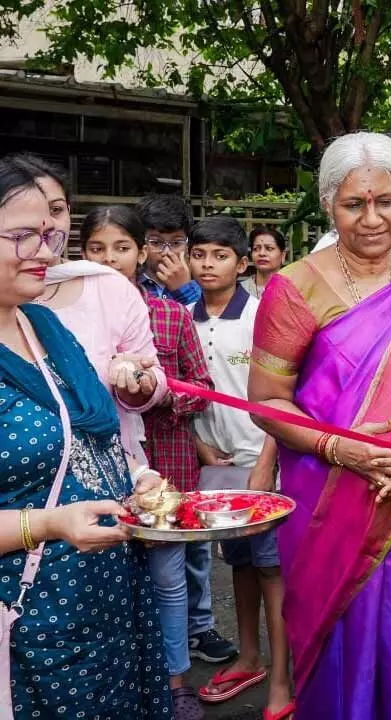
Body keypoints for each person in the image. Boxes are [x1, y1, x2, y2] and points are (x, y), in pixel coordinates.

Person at [248, 132, 391, 719]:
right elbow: (267, 402)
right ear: (327, 205)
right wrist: (343, 450)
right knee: (335, 632)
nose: (372, 219)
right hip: (326, 493)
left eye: (386, 202)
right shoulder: (296, 287)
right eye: (353, 204)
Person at [0, 155, 172, 719]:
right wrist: (48, 524)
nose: (46, 253)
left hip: (107, 599)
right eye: (22, 236)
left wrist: (137, 478)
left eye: (52, 232)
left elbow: (88, 441)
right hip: (30, 619)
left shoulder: (42, 325)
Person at [78, 205, 222, 715]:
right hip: (98, 468)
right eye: (97, 249)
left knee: (169, 577)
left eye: (121, 248)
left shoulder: (170, 314)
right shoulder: (60, 316)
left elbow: (202, 388)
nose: (109, 259)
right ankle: (123, 682)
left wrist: (155, 393)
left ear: (142, 253)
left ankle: (176, 680)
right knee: (107, 576)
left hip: (169, 464)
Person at [185, 217, 292, 719]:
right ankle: (250, 658)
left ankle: (283, 678)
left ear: (242, 263)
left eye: (220, 255)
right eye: (199, 254)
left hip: (261, 464)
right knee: (241, 565)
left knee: (273, 570)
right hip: (220, 468)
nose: (208, 264)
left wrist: (267, 463)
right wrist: (201, 447)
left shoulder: (260, 316)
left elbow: (279, 398)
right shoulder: (183, 317)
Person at [5, 156, 169, 466]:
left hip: (114, 466)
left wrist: (137, 383)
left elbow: (152, 375)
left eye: (55, 210)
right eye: (25, 226)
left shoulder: (108, 287)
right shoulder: (18, 307)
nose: (47, 227)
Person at [136, 194, 203, 306]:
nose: (167, 252)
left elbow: (205, 317)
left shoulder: (203, 285)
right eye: (156, 243)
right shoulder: (131, 285)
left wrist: (183, 288)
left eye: (176, 243)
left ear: (187, 245)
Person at [243, 225, 288, 298]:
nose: (262, 253)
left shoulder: (292, 290)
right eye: (256, 249)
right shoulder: (241, 290)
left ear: (283, 256)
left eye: (269, 248)